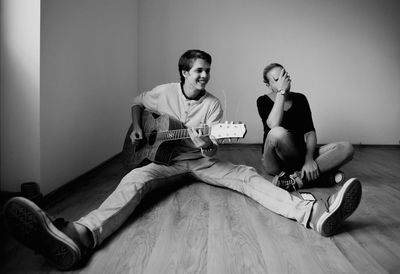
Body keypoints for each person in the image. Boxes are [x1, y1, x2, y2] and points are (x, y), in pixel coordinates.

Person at [4, 50, 362, 270]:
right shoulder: (162, 93)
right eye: (198, 71)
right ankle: (79, 236)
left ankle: (312, 213)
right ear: (184, 74)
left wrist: (207, 143)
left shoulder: (213, 106)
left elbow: (213, 147)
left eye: (208, 70)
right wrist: (135, 130)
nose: (205, 75)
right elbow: (137, 102)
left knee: (247, 176)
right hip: (163, 161)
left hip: (200, 161)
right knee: (133, 182)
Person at [257, 63, 355, 191]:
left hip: (300, 155)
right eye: (277, 80)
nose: (283, 81)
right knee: (277, 133)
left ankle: (297, 180)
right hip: (275, 161)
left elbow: (310, 133)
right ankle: (324, 178)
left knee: (347, 148)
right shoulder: (262, 101)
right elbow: (273, 125)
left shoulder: (300, 99)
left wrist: (309, 159)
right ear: (269, 85)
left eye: (284, 75)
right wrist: (281, 91)